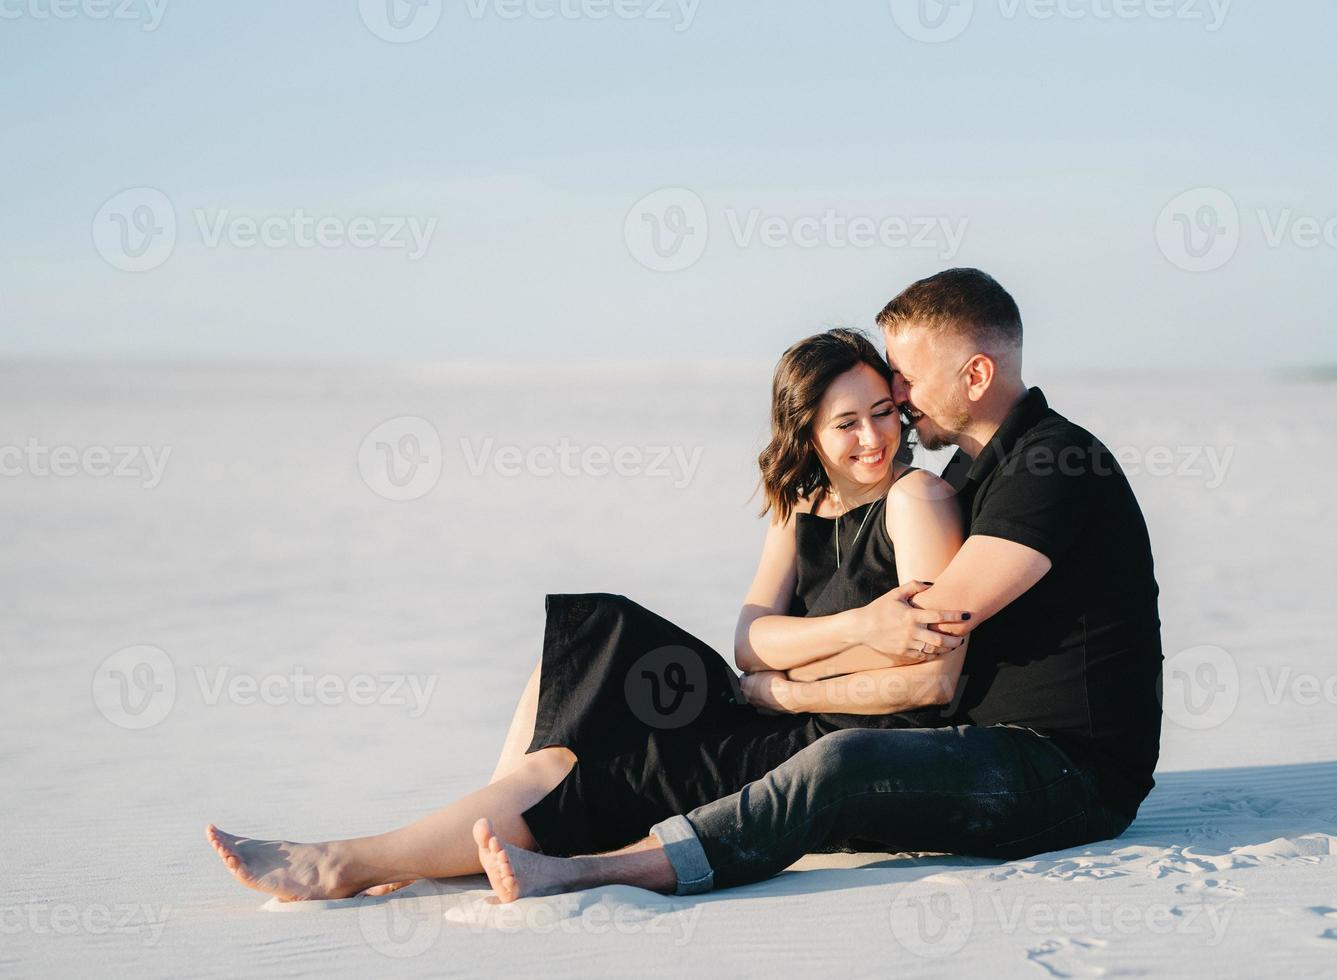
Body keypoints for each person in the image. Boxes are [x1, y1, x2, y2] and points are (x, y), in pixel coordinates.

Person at [205, 327, 981, 901]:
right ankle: (473, 834)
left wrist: (789, 679)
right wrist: (859, 627)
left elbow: (922, 682)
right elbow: (750, 641)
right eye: (846, 423)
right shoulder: (803, 507)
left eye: (883, 412)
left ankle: (361, 860)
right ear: (807, 431)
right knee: (595, 637)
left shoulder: (915, 501)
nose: (874, 437)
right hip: (770, 710)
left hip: (841, 741)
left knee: (583, 768)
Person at [466, 267, 1165, 903]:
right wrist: (831, 646)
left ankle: (590, 871)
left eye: (907, 376)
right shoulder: (969, 477)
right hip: (976, 747)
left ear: (976, 374)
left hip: (1068, 776)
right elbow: (879, 637)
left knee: (844, 760)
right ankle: (534, 821)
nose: (896, 394)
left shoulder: (1055, 461)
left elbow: (929, 630)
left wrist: (784, 687)